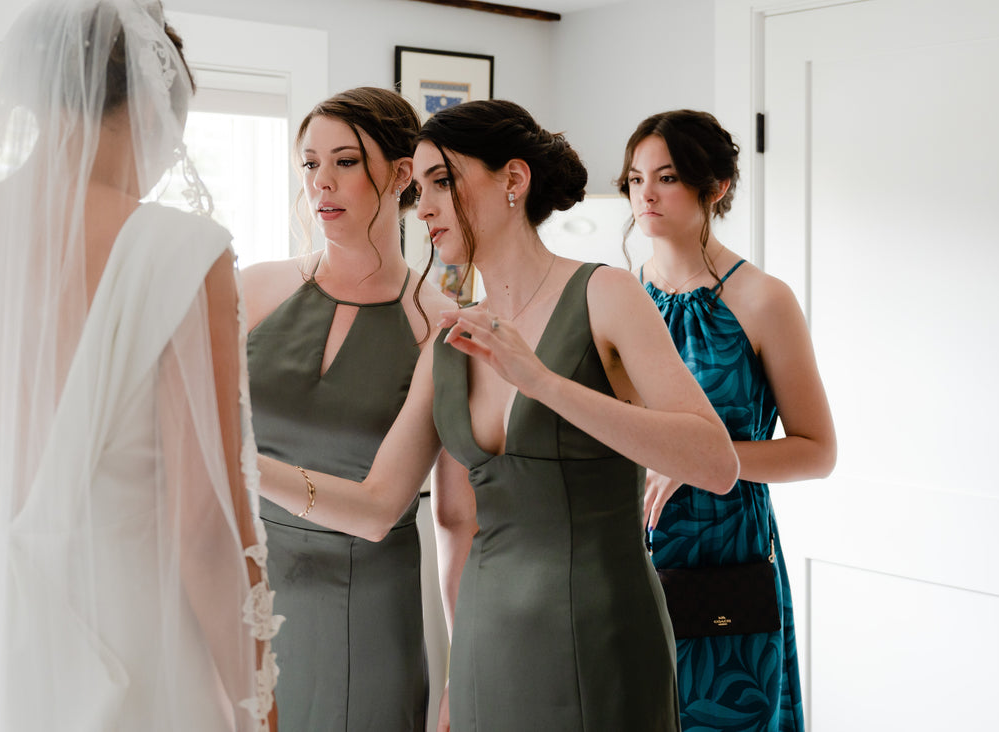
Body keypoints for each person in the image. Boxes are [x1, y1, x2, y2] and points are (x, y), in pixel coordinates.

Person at [256, 99, 740, 732]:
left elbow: (715, 463)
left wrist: (541, 381)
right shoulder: (449, 339)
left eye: (443, 181)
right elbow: (384, 507)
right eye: (420, 185)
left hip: (600, 631)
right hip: (486, 645)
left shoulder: (605, 294)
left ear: (513, 180)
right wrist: (240, 460)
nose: (423, 206)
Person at [0, 1, 279, 730]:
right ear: (152, 106)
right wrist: (256, 701)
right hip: (135, 661)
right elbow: (204, 526)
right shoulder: (176, 251)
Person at [240, 87, 462, 732]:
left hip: (364, 611)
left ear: (400, 174)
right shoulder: (252, 289)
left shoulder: (441, 325)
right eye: (310, 164)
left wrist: (459, 676)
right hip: (239, 588)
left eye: (344, 161)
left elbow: (433, 515)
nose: (322, 183)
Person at [617, 109, 836, 732]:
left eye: (667, 177)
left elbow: (817, 450)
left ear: (715, 188)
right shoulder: (619, 298)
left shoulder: (762, 300)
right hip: (632, 548)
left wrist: (702, 462)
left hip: (727, 550)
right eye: (635, 179)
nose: (645, 195)